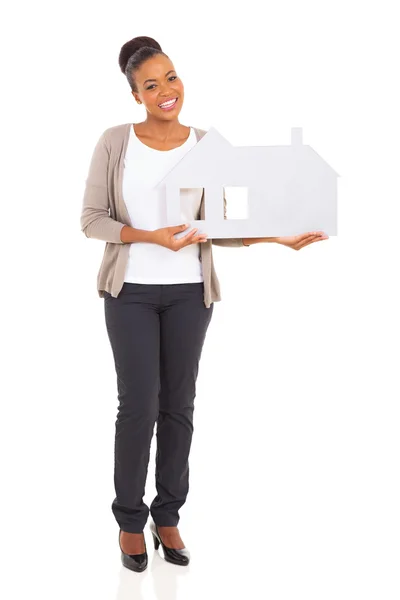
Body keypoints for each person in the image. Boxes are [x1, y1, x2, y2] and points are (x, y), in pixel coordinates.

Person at [80, 35, 329, 572]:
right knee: (138, 406)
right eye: (151, 84)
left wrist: (274, 238)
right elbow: (92, 220)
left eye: (171, 77)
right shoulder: (114, 141)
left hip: (192, 294)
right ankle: (129, 520)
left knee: (179, 406)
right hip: (131, 296)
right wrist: (151, 237)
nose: (166, 90)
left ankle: (167, 514)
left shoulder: (205, 143)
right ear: (135, 95)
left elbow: (216, 227)